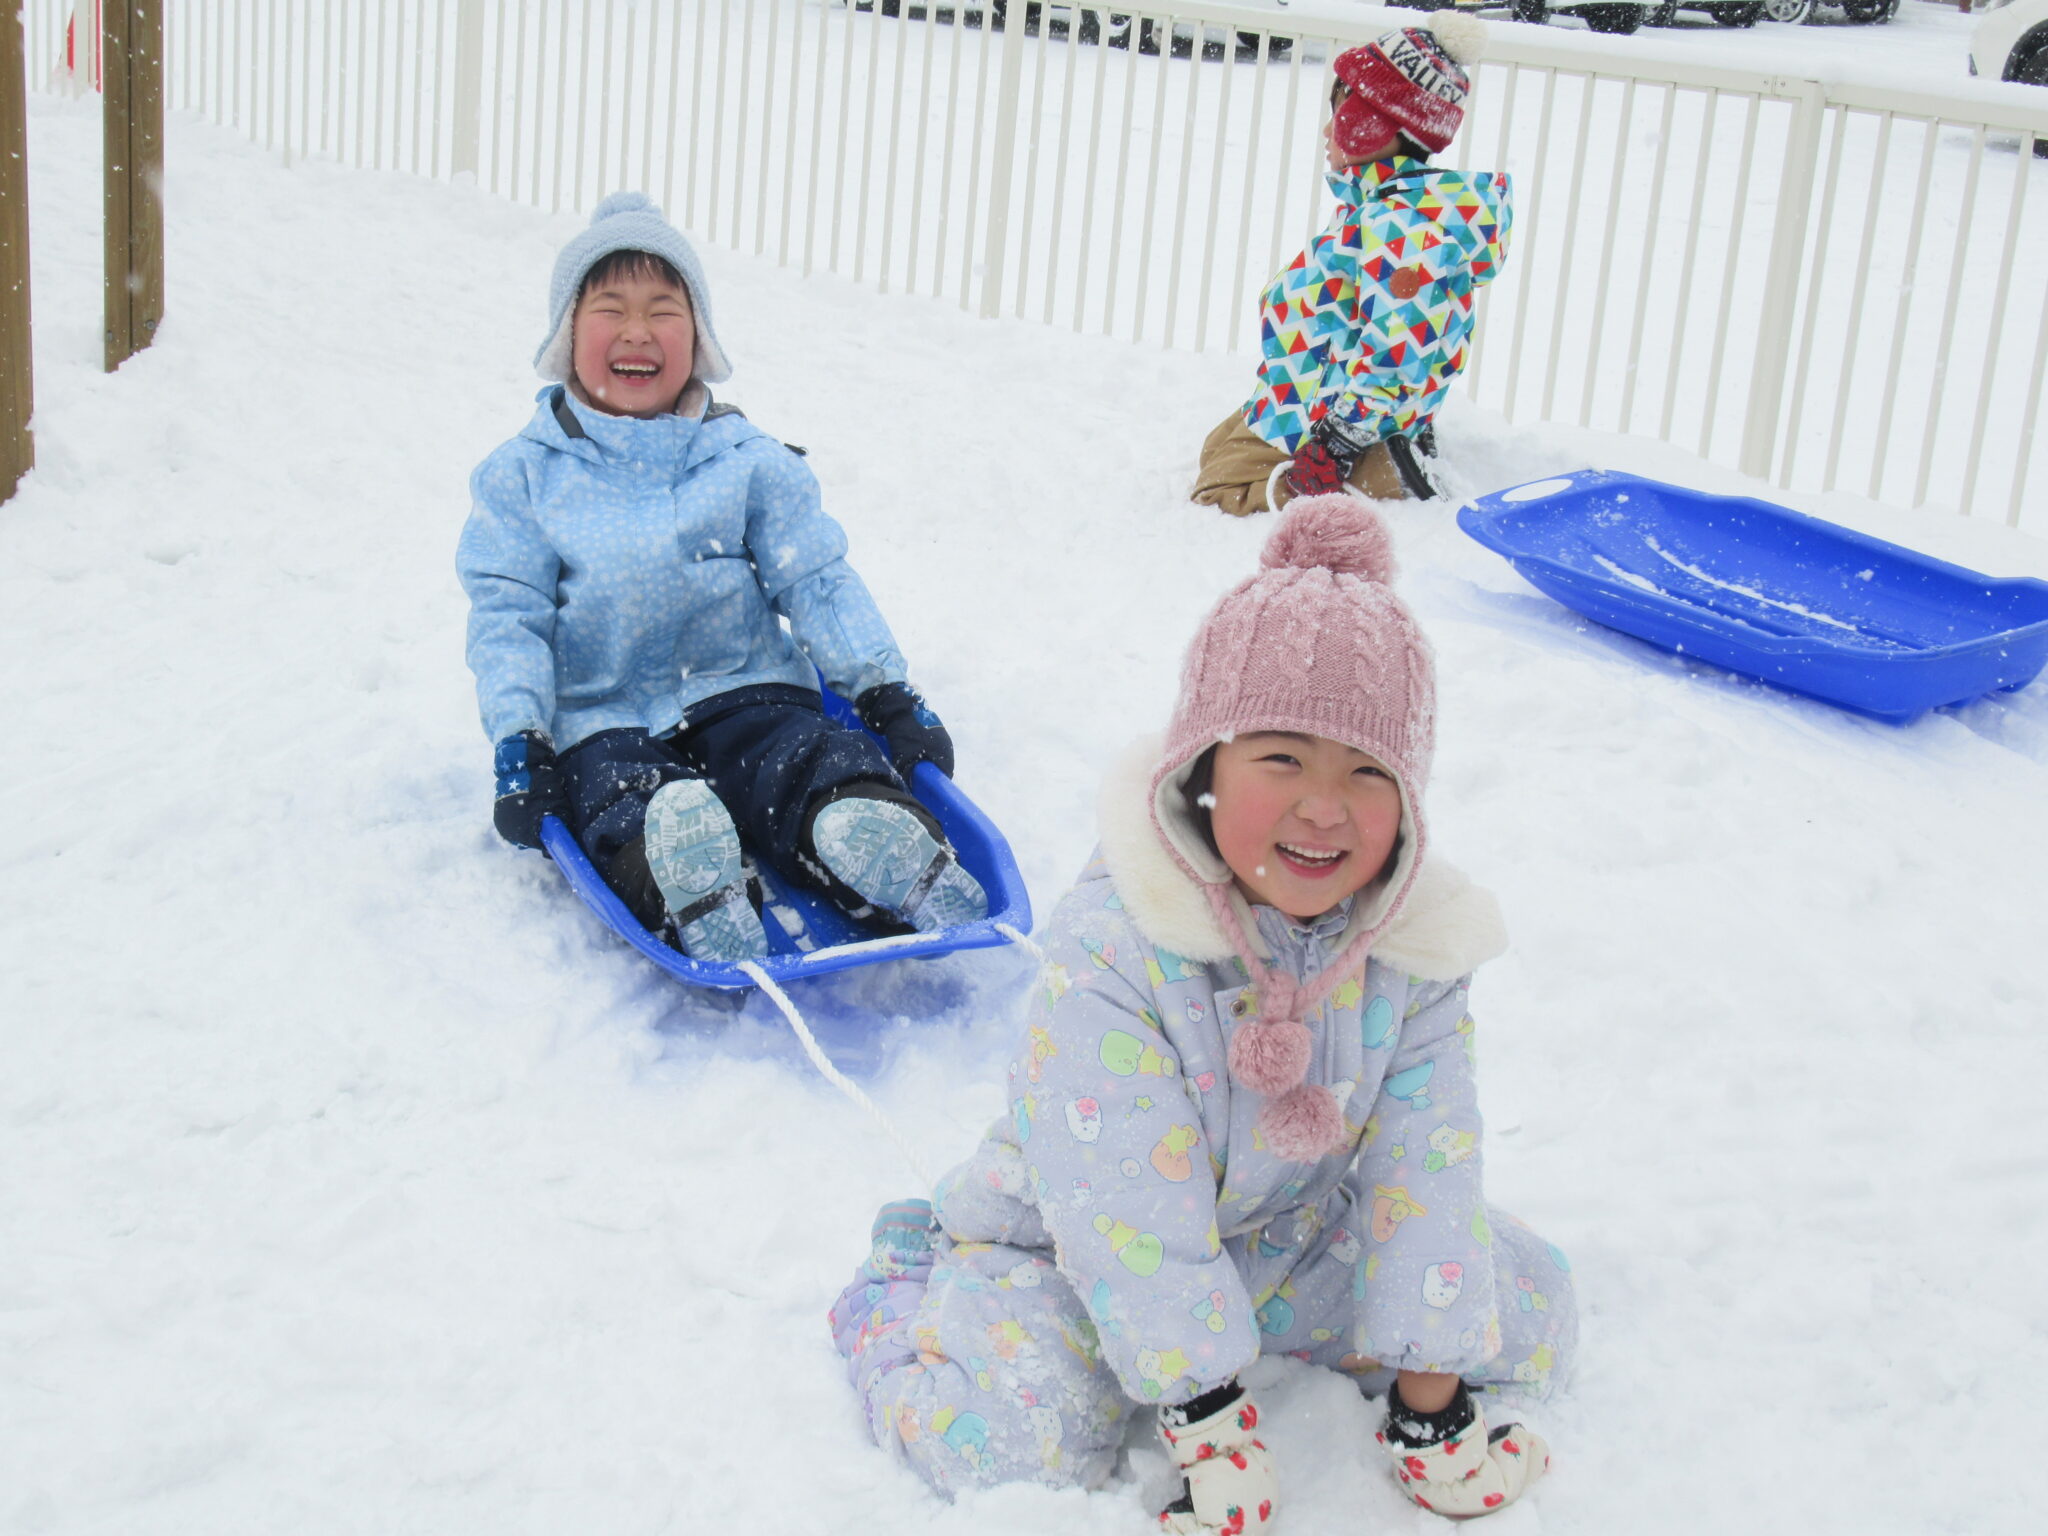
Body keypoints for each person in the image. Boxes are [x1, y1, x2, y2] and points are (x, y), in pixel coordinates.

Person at [829, 496, 1574, 1530]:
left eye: (1367, 772)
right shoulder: (1118, 942)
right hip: (1069, 1244)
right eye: (1280, 760)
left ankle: (1240, 1333)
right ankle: (905, 1282)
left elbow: (1423, 1162)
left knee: (1525, 1304)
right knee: (1014, 1444)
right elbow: (1123, 1199)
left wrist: (1429, 1410)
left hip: (1277, 1238)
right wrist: (1207, 1420)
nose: (1324, 807)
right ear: (1202, 770)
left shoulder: (1413, 947)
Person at [457, 192, 985, 962]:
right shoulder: (525, 478)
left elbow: (816, 579)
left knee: (804, 756)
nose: (638, 331)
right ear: (568, 336)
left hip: (744, 691)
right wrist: (521, 738)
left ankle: (875, 844)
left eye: (663, 310)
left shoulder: (746, 461)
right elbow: (510, 617)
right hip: (602, 718)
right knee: (623, 799)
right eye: (611, 307)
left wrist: (882, 688)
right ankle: (689, 884)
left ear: (698, 337)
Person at [1192, 16, 1511, 517]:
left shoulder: (1400, 228)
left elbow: (1399, 351)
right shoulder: (1380, 205)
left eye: (1339, 113)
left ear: (1372, 126)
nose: (1326, 130)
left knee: (1219, 495)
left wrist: (1338, 443)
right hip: (1301, 394)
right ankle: (1370, 457)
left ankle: (1378, 471)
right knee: (1219, 450)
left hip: (1333, 424)